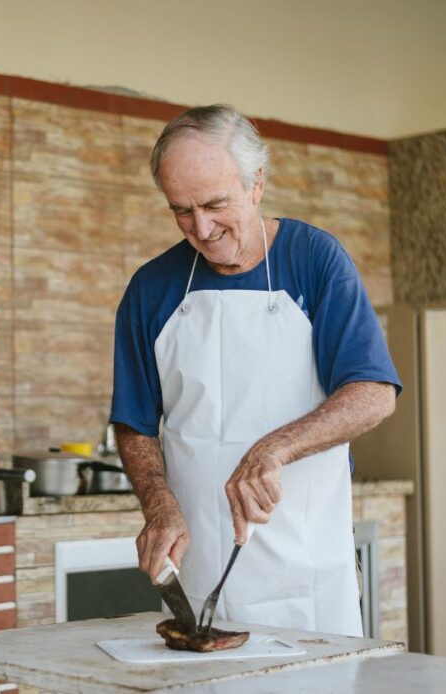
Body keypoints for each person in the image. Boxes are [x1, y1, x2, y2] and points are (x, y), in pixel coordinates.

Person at [110, 104, 401, 637]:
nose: (201, 227)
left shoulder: (315, 260)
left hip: (309, 582)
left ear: (256, 184)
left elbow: (374, 391)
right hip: (201, 582)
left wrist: (275, 448)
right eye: (181, 210)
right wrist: (158, 504)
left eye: (216, 204)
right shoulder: (151, 288)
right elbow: (134, 422)